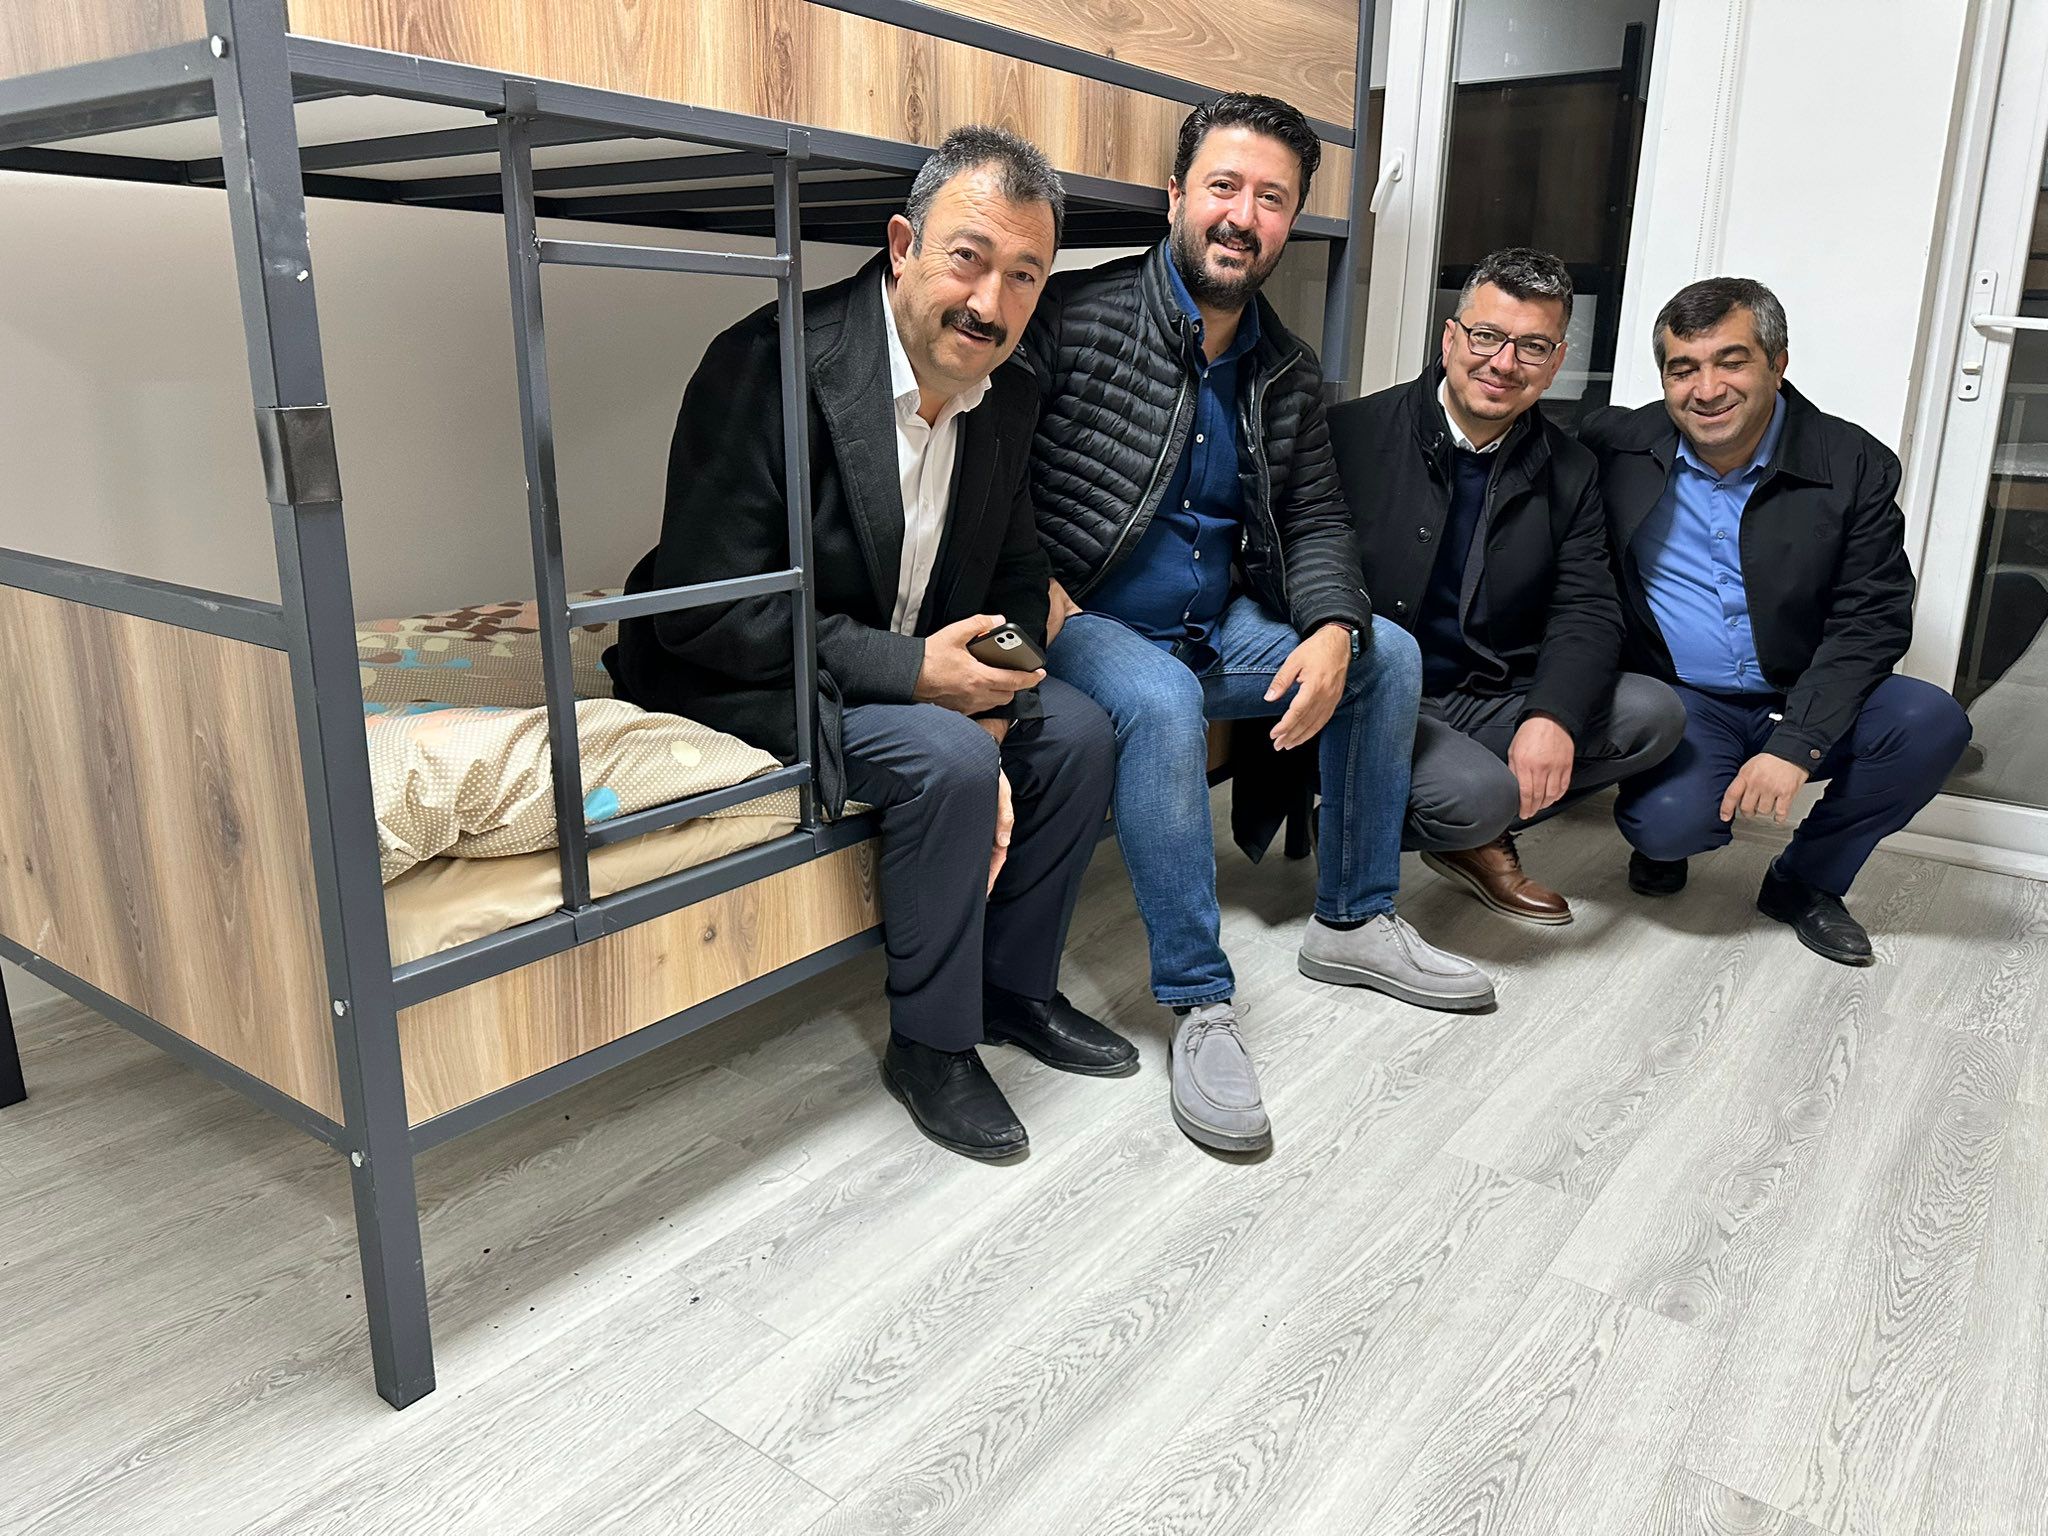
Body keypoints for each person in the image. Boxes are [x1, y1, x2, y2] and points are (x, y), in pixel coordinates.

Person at [608, 127, 1129, 1160]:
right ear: (901, 245)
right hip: (742, 666)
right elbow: (705, 612)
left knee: (1077, 732)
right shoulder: (767, 365)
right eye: (967, 257)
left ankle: (1012, 988)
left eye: (1024, 276)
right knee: (945, 760)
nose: (989, 303)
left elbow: (1017, 576)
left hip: (910, 662)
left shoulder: (1010, 394)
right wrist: (921, 679)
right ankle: (931, 1045)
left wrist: (995, 697)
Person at [1023, 93, 1492, 1157]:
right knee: (1159, 699)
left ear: (1290, 221)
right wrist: (1032, 585)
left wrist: (1330, 625)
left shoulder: (1284, 365)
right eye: (1224, 187)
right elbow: (990, 465)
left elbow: (1317, 516)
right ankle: (1199, 1003)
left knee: (1384, 652)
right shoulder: (1072, 317)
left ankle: (1353, 919)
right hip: (1086, 617)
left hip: (1212, 620)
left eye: (1271, 198)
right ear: (1175, 196)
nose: (1243, 216)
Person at [1582, 277, 1972, 964]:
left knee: (1929, 723)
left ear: (1778, 362)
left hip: (1804, 687)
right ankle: (1667, 836)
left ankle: (1806, 880)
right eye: (1683, 369)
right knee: (1670, 825)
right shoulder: (1617, 446)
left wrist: (1798, 743)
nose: (1707, 389)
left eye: (1731, 362)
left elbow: (1872, 618)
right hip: (1684, 697)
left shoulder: (1852, 463)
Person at [1330, 247, 1683, 924]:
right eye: (1486, 336)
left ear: (1556, 362)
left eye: (1532, 346)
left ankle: (1461, 827)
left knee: (1654, 714)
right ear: (1450, 338)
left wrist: (1552, 717)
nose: (1503, 363)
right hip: (1374, 695)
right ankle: (1383, 820)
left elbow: (1587, 608)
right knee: (1481, 796)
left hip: (1488, 696)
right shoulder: (1350, 435)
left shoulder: (1571, 469)